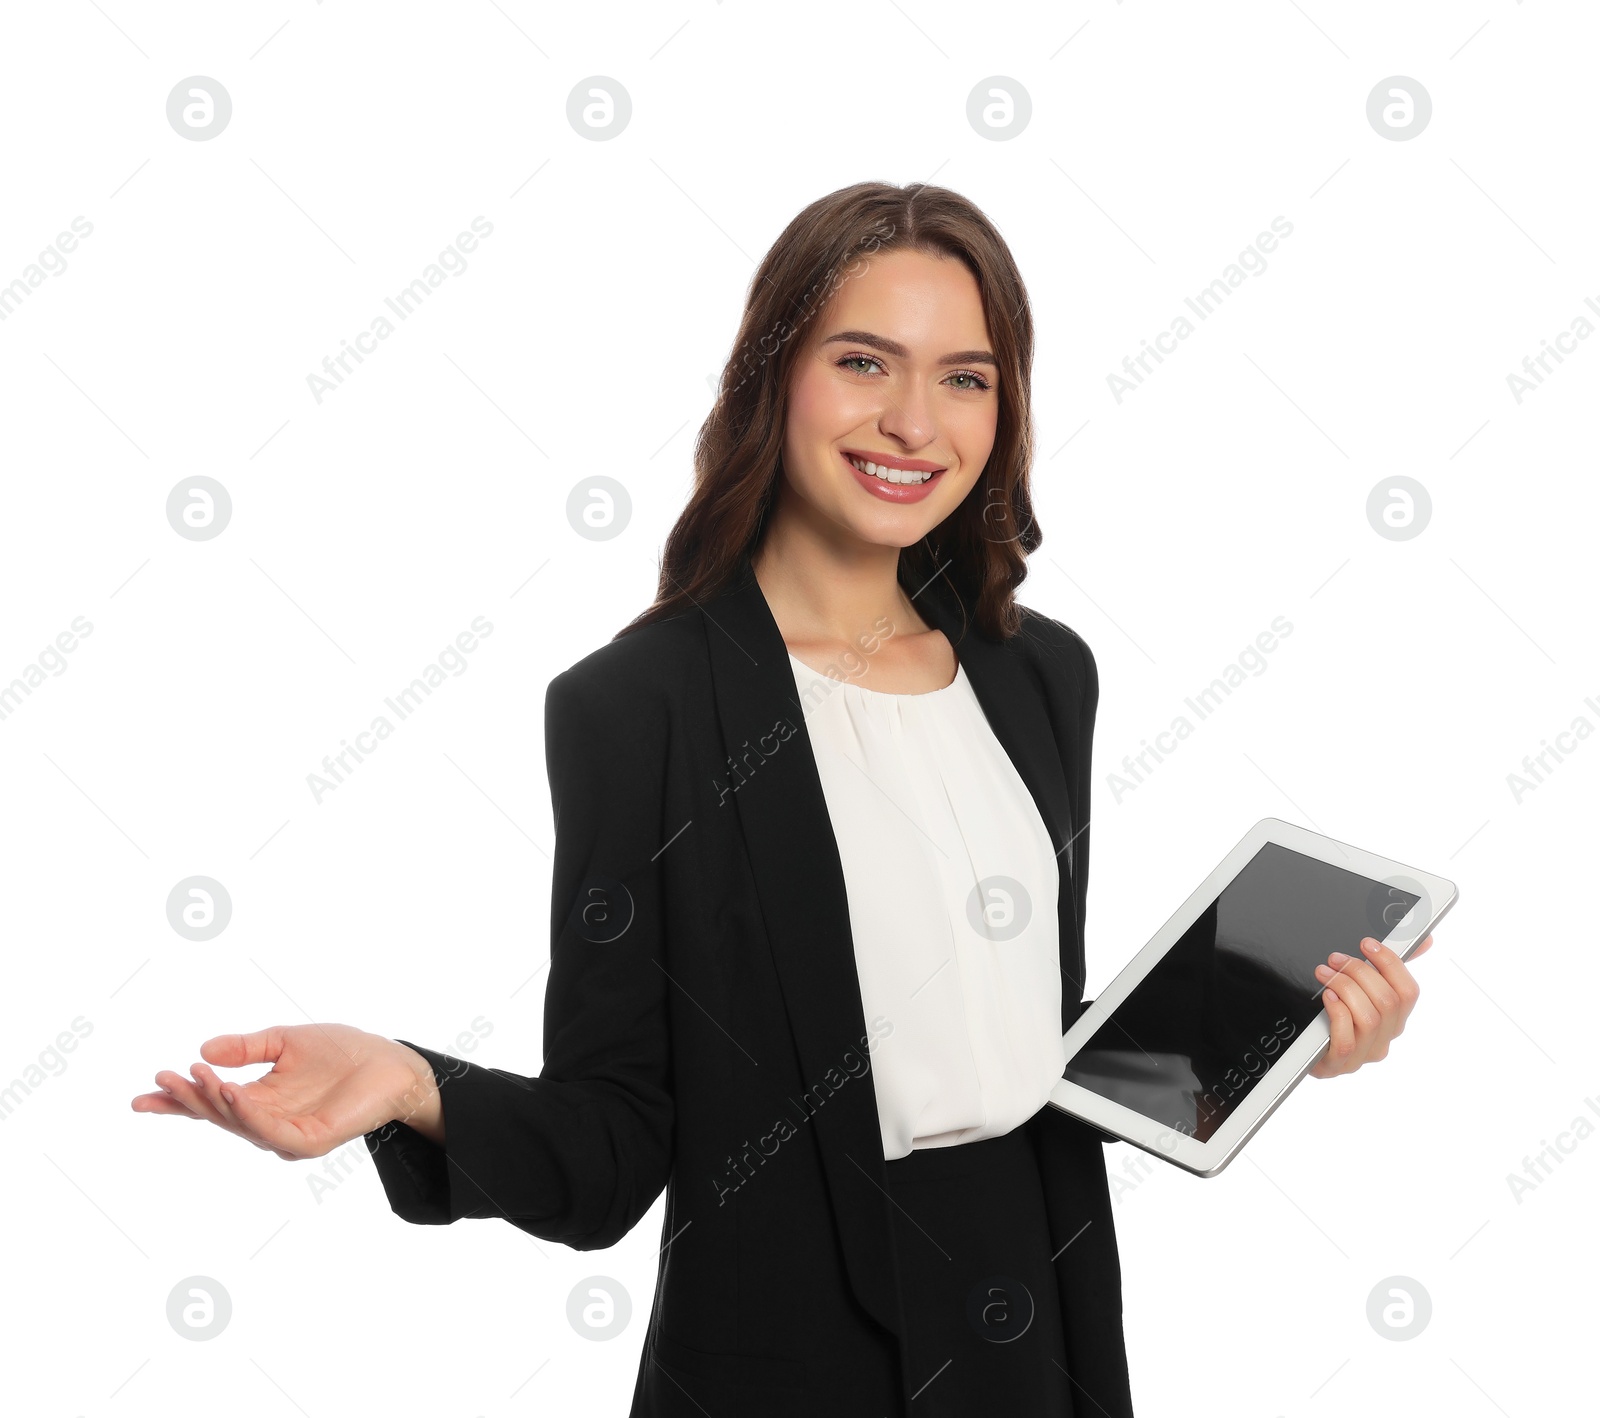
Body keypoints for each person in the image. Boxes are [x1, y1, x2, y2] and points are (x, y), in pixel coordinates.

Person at [132, 181, 1431, 1417]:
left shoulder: (1040, 674)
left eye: (965, 377)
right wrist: (415, 1081)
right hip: (793, 1342)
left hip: (1044, 1315)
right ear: (774, 377)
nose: (916, 421)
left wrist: (1284, 1034)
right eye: (866, 361)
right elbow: (616, 1136)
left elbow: (1019, 1035)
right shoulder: (638, 705)